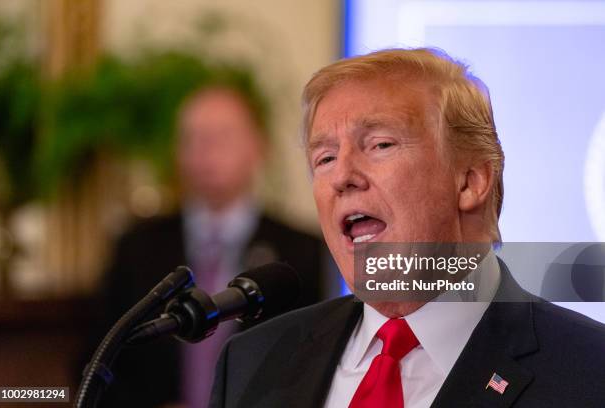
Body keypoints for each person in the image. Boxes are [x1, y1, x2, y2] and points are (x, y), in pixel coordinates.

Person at [209, 48, 605, 407]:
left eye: (380, 144)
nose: (342, 176)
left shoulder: (589, 370)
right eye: (325, 158)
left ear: (470, 182)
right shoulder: (252, 363)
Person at [93, 85, 332, 408]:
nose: (207, 151)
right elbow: (99, 360)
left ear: (257, 147)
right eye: (194, 138)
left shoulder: (303, 252)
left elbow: (316, 364)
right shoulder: (137, 247)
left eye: (223, 136)